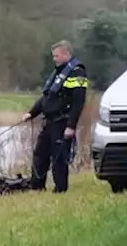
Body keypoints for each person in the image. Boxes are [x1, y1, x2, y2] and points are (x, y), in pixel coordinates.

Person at [22, 40, 90, 193]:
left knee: (59, 159)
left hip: (62, 122)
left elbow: (78, 102)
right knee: (40, 154)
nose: (54, 59)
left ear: (66, 54)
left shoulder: (77, 72)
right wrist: (32, 113)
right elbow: (47, 97)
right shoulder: (58, 72)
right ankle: (37, 187)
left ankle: (60, 189)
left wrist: (71, 126)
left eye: (57, 56)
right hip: (49, 122)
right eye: (54, 56)